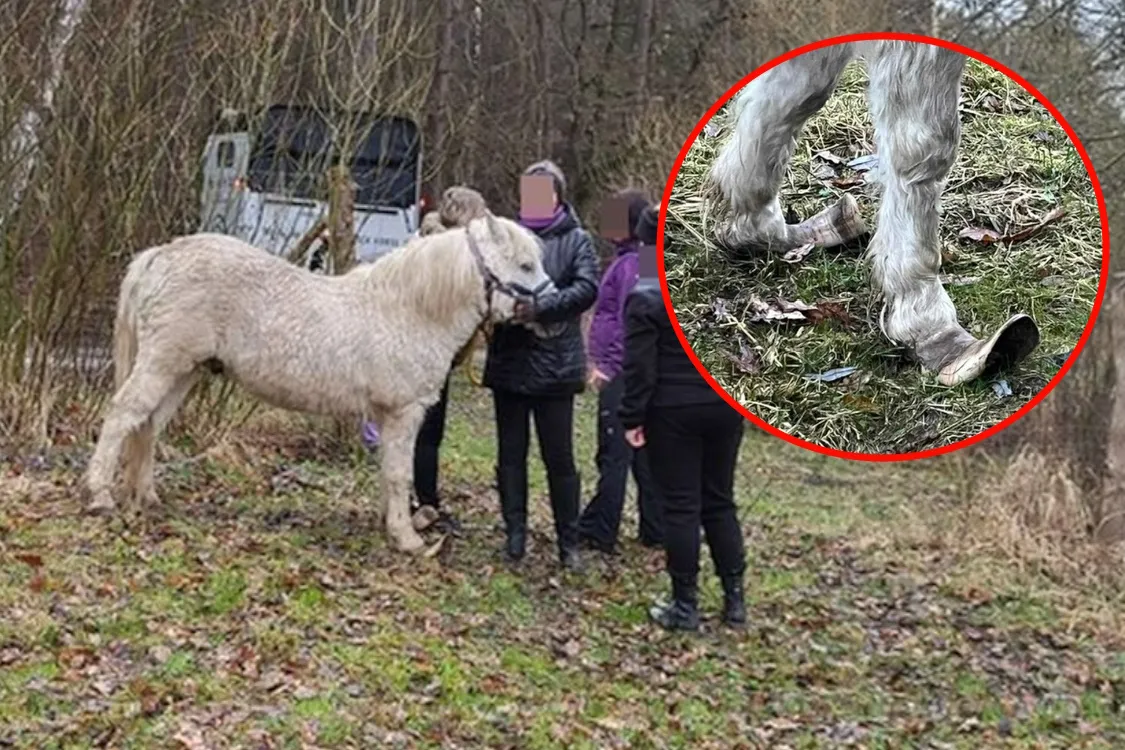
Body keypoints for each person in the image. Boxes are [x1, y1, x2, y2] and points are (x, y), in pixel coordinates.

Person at [618, 204, 748, 631]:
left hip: (672, 410)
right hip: (724, 406)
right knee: (720, 502)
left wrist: (631, 417)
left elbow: (640, 368)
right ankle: (735, 602)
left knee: (681, 507)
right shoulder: (720, 285)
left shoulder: (645, 295)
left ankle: (685, 605)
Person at [482, 159, 600, 570]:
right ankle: (514, 534)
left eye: (540, 192)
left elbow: (587, 288)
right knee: (510, 456)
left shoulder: (577, 240)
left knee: (559, 459)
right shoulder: (505, 238)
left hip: (556, 367)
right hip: (510, 362)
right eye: (526, 192)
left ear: (557, 196)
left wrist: (539, 308)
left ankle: (568, 541)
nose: (530, 200)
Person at [577, 189, 664, 554]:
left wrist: (609, 368)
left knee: (615, 453)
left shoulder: (635, 264)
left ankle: (601, 529)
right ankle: (655, 528)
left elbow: (632, 324)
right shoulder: (636, 259)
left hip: (626, 374)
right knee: (643, 455)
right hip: (639, 372)